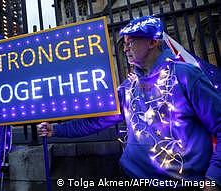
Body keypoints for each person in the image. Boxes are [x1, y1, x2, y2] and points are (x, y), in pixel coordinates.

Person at [38, 16, 221, 189]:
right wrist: (56, 129)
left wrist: (213, 178)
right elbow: (95, 121)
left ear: (152, 42)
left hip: (184, 183)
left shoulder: (186, 76)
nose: (125, 49)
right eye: (124, 44)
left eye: (131, 42)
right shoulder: (128, 88)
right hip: (131, 178)